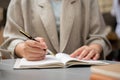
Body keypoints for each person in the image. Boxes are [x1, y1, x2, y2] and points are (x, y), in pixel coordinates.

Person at [0, 0, 111, 61]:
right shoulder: (20, 2)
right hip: (34, 74)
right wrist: (22, 48)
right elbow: (12, 38)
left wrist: (94, 48)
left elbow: (98, 36)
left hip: (80, 72)